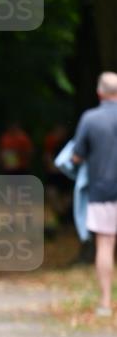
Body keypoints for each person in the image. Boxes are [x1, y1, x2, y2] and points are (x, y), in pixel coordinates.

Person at [72, 71, 117, 317]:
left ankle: (106, 303)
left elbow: (76, 156)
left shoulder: (90, 119)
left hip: (103, 190)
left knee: (106, 244)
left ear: (100, 92)